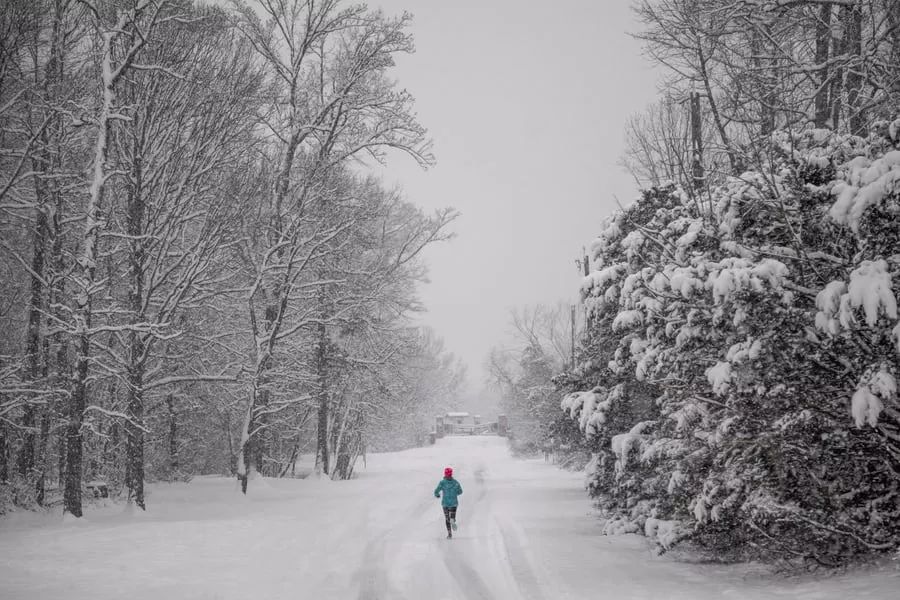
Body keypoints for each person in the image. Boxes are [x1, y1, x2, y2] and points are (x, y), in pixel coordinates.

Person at [434, 466, 463, 538]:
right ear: (451, 474)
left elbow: (436, 491)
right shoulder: (455, 483)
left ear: (445, 474)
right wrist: (455, 493)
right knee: (452, 516)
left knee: (447, 519)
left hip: (445, 503)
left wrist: (437, 495)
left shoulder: (442, 483)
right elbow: (460, 491)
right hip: (454, 503)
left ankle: (449, 534)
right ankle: (452, 519)